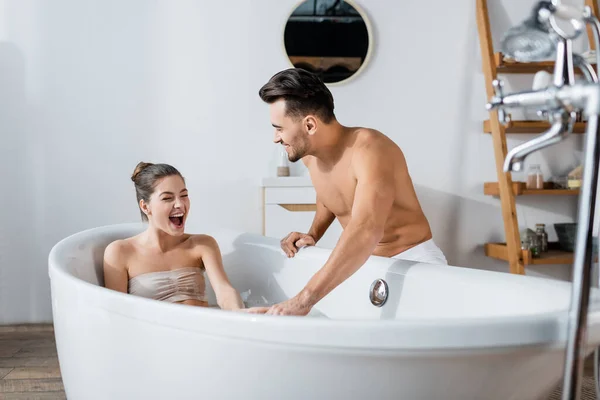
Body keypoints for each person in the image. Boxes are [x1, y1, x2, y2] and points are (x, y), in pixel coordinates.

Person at [248, 68, 447, 316]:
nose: (275, 138)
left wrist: (303, 300)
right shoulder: (310, 156)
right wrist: (313, 234)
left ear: (309, 124)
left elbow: (366, 229)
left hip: (412, 262)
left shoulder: (370, 149)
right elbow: (330, 194)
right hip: (364, 263)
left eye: (279, 128)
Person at [103, 162, 244, 310]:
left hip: (202, 330)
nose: (180, 204)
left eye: (184, 195)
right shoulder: (120, 252)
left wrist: (240, 313)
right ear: (145, 206)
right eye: (167, 198)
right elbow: (116, 313)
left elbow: (224, 292)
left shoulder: (202, 244)